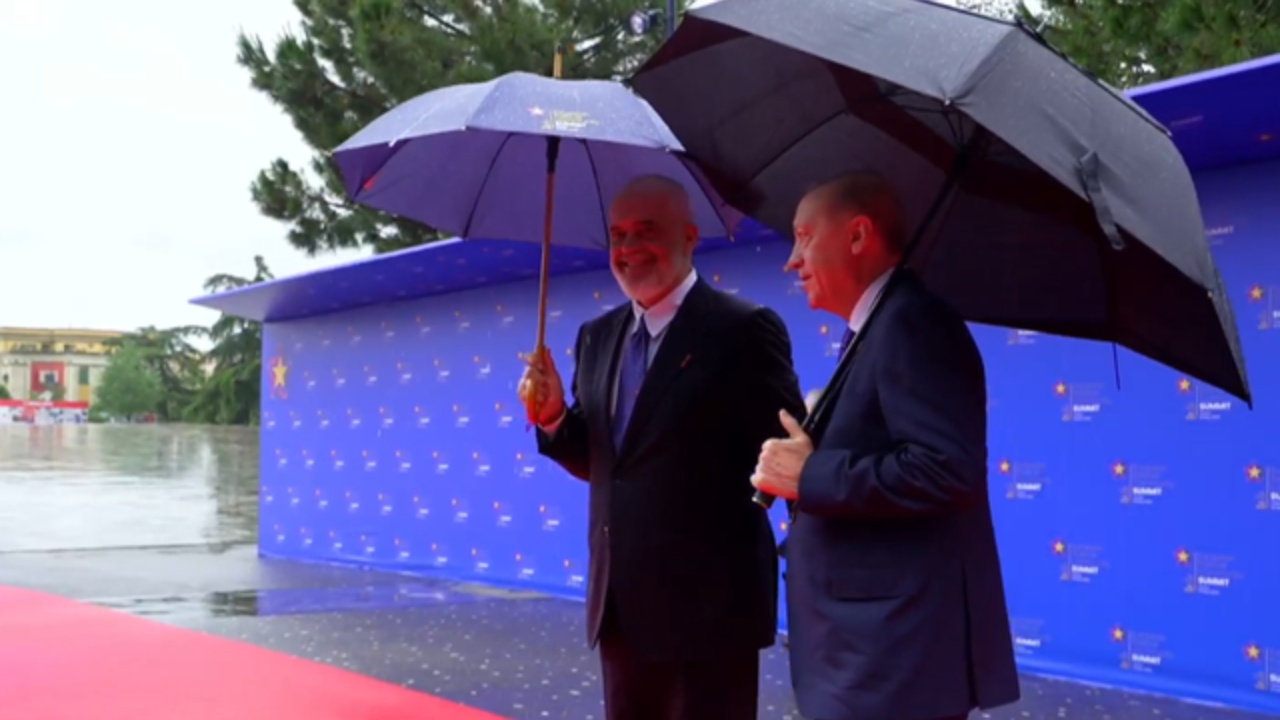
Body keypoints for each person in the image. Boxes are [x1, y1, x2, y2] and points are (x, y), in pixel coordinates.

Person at [517, 174, 806, 720]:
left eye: (645, 231)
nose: (627, 248)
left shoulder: (743, 329)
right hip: (620, 610)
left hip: (710, 615)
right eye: (617, 235)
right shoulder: (596, 337)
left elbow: (785, 456)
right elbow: (606, 463)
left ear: (689, 236)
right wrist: (554, 416)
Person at [751, 173, 1021, 720]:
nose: (792, 261)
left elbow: (945, 469)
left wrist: (810, 475)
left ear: (857, 235)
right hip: (869, 656)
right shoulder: (877, 327)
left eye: (804, 237)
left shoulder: (912, 322)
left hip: (893, 665)